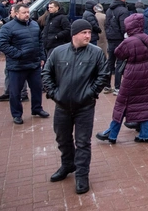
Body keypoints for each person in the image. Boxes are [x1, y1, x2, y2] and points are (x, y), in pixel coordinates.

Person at [41, 20, 108, 194]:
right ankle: (67, 164)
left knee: (83, 142)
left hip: (84, 106)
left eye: (89, 32)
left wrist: (90, 93)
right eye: (84, 32)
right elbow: (46, 73)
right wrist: (55, 94)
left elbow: (103, 75)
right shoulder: (58, 52)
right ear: (74, 34)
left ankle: (82, 175)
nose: (88, 36)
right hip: (62, 105)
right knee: (62, 138)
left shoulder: (96, 53)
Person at [96, 13, 148, 144]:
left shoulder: (128, 41)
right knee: (145, 103)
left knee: (122, 102)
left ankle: (112, 134)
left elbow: (118, 53)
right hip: (146, 72)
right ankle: (147, 134)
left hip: (132, 73)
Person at [0, 3, 50, 124]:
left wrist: (42, 57)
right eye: (24, 12)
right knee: (15, 92)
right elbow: (1, 44)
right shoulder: (8, 27)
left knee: (37, 89)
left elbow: (39, 42)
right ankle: (17, 114)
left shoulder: (34, 25)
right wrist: (18, 54)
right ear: (16, 13)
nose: (27, 15)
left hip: (34, 64)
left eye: (28, 12)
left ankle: (37, 109)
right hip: (17, 66)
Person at [104, 0, 131, 94]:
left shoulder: (109, 10)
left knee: (110, 62)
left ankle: (107, 86)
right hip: (119, 39)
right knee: (120, 62)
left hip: (110, 38)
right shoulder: (123, 10)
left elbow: (106, 24)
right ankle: (117, 87)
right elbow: (124, 27)